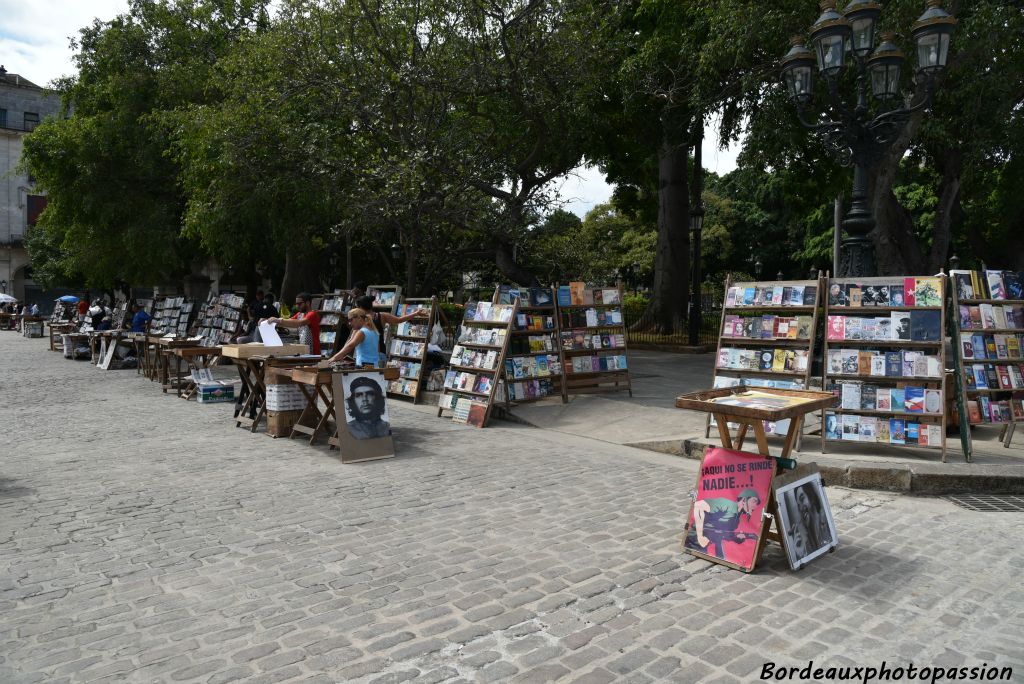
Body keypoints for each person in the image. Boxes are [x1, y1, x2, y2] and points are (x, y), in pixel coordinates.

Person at [688, 489, 762, 560]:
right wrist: (700, 536)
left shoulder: (736, 520)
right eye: (754, 501)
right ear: (744, 500)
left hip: (709, 545)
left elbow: (722, 533)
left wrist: (736, 538)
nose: (755, 506)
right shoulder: (727, 504)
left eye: (757, 503)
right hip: (694, 539)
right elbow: (698, 505)